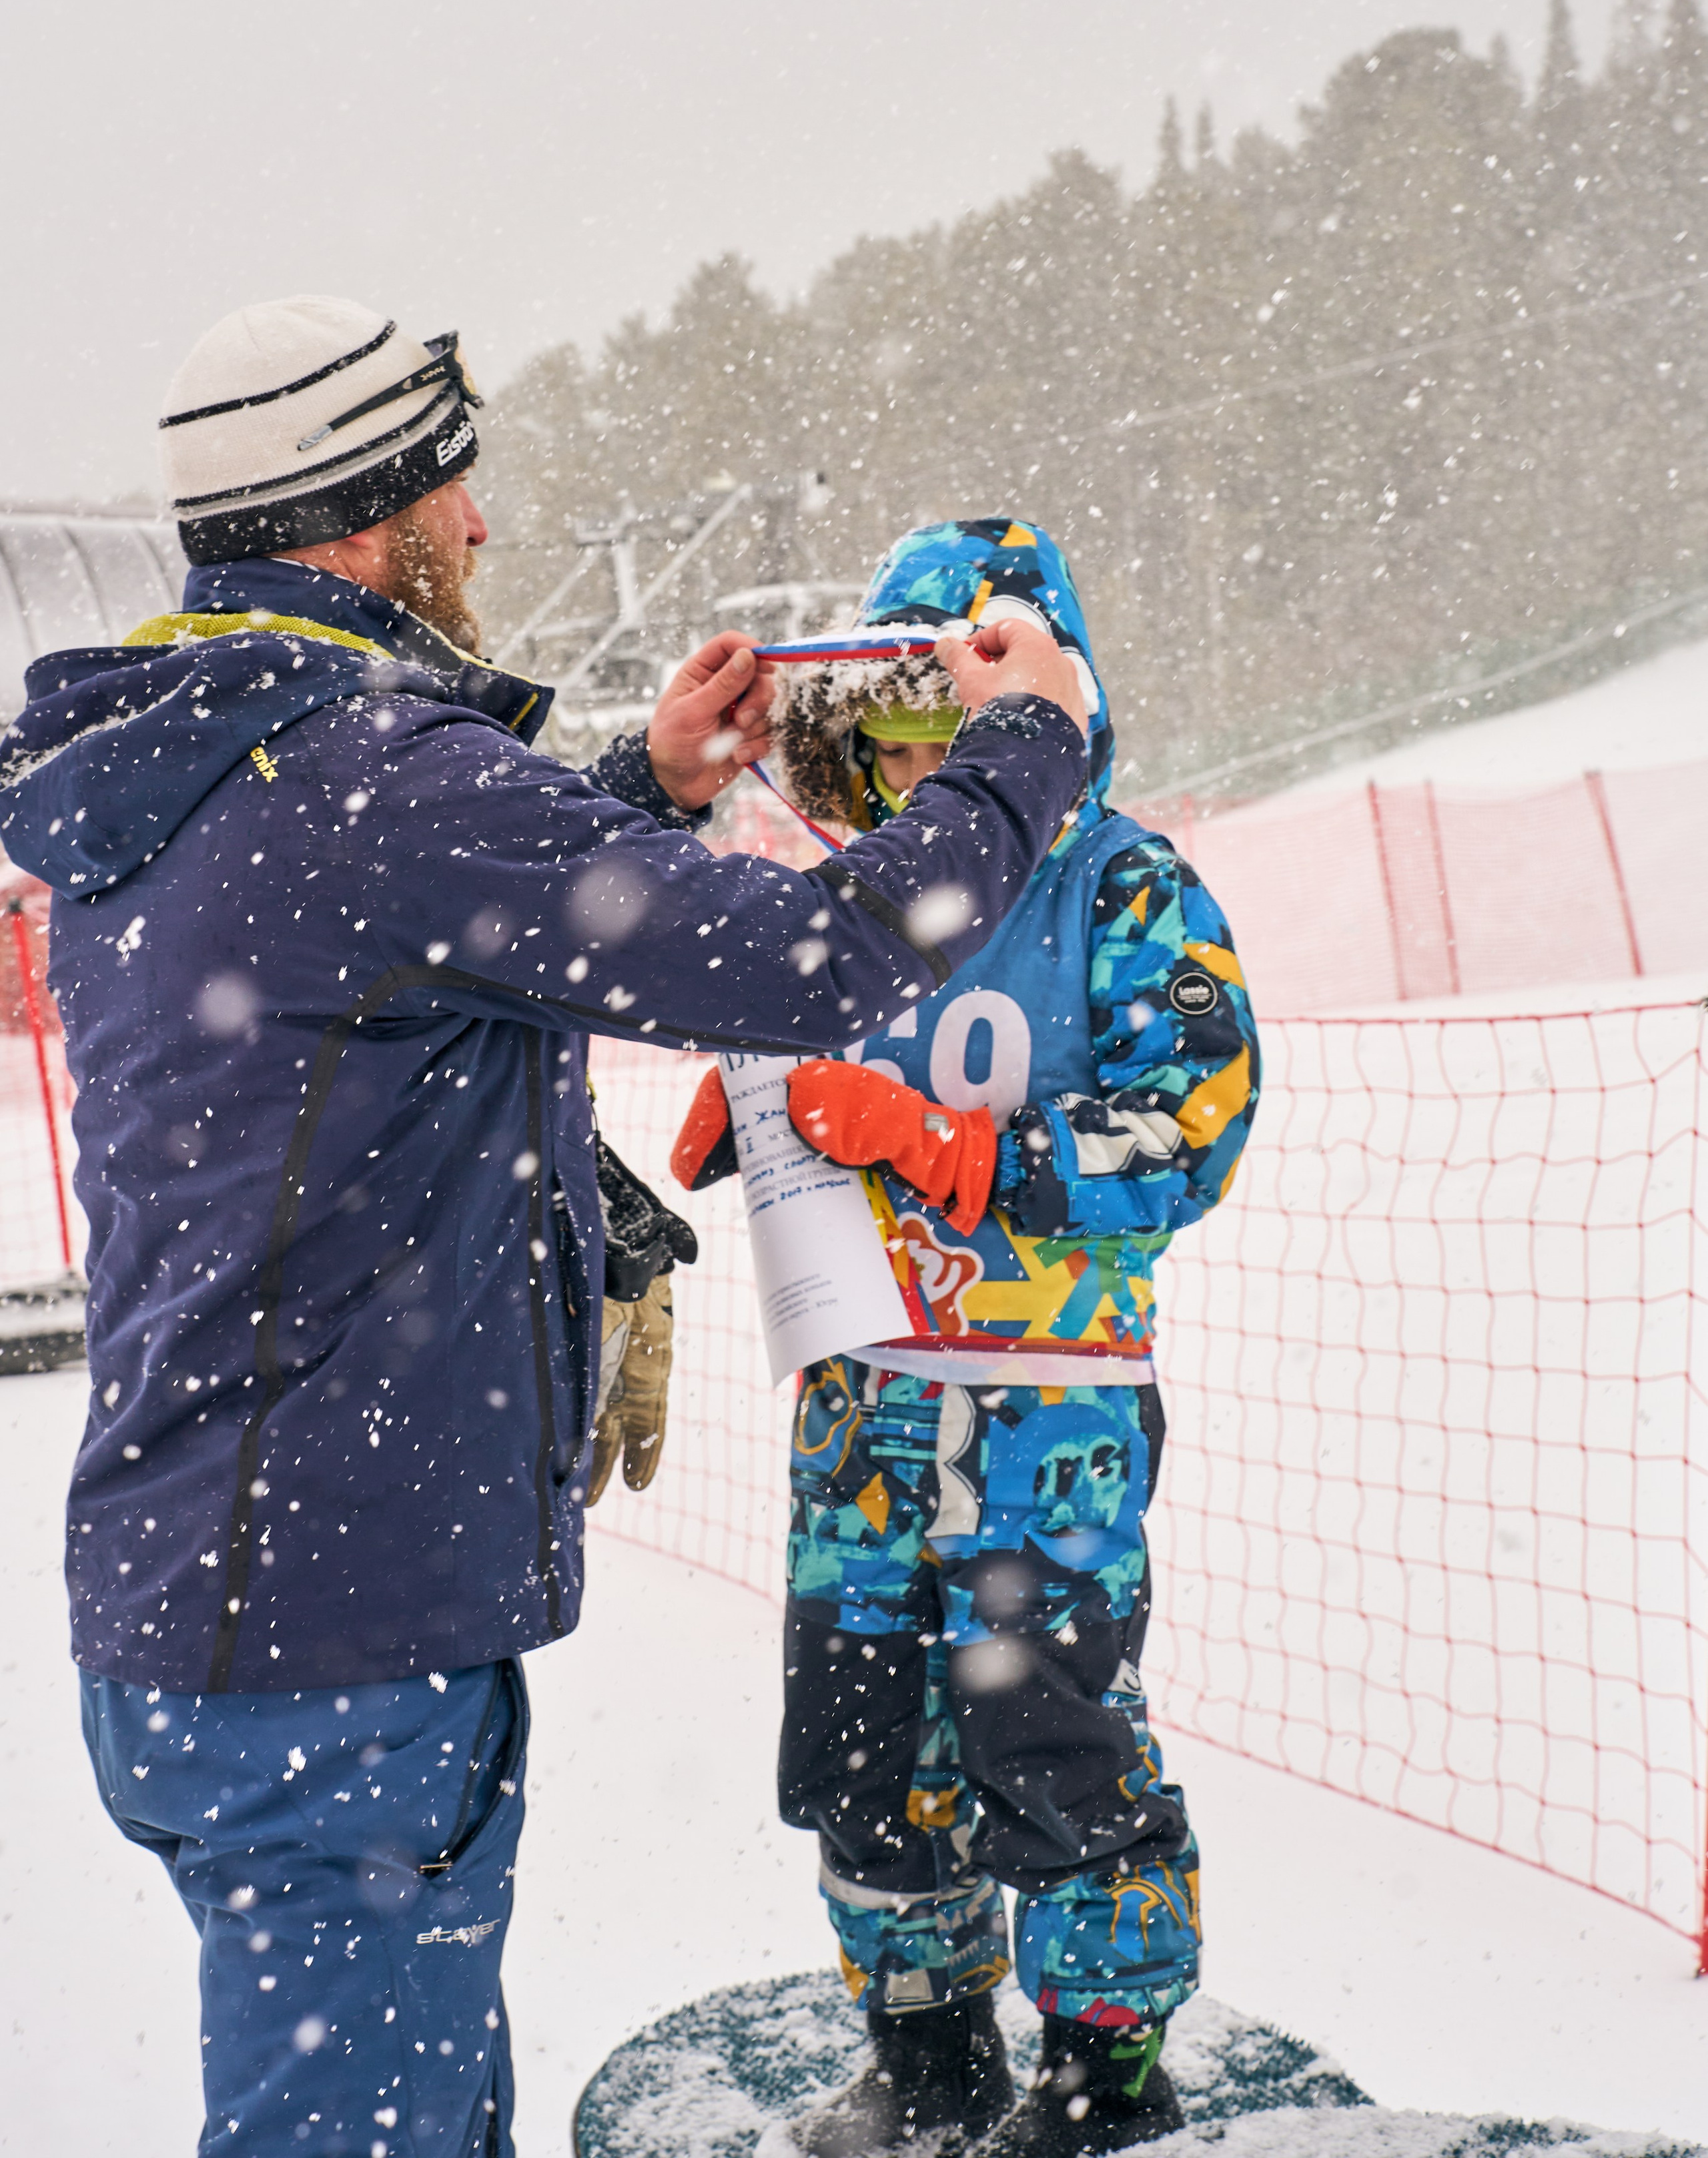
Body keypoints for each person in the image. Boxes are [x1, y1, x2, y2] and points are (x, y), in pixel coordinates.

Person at [0, 301, 1090, 2158]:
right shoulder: (374, 778)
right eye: (451, 485)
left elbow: (383, 971)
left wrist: (639, 797)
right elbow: (812, 962)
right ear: (363, 515)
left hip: (224, 1605)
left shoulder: (206, 766)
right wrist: (1024, 754)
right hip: (327, 1651)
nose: (482, 528)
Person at [673, 519, 1260, 2156]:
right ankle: (922, 2036)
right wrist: (757, 1114)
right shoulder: (846, 891)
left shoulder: (1124, 883)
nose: (920, 750)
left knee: (1048, 1738)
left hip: (1041, 1411)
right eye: (894, 713)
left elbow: (1191, 1129)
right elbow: (790, 1055)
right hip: (858, 1407)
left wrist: (965, 1151)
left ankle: (1103, 2060)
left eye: (957, 708)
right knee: (861, 1739)